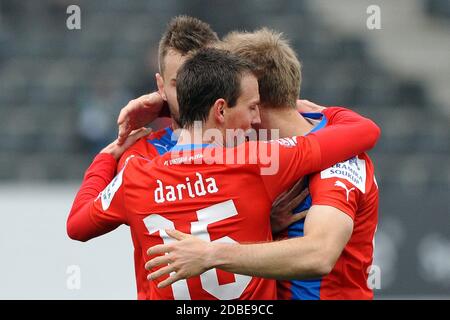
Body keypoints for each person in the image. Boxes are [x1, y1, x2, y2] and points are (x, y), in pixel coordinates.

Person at [67, 47, 380, 299]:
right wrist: (321, 112)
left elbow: (77, 224)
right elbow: (364, 130)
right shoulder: (259, 162)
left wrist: (107, 155)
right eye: (251, 106)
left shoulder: (135, 173)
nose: (254, 118)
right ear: (221, 109)